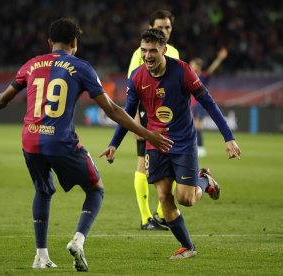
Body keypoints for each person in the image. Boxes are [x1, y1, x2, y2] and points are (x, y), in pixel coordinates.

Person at [0, 18, 172, 271]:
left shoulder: (32, 64)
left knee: (43, 191)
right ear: (75, 42)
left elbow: (3, 98)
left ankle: (41, 256)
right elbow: (111, 110)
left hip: (30, 138)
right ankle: (78, 240)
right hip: (60, 140)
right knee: (95, 189)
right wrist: (148, 134)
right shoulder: (82, 67)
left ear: (49, 42)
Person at [100, 29, 241, 259]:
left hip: (183, 143)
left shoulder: (182, 71)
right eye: (144, 50)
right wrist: (114, 144)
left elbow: (208, 102)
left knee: (186, 199)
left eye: (153, 50)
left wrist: (228, 137)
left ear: (164, 50)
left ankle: (205, 181)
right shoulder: (137, 77)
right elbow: (127, 113)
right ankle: (188, 246)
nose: (147, 56)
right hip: (155, 144)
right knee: (164, 197)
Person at [127, 9, 180, 231]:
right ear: (151, 28)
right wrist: (135, 121)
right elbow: (132, 85)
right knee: (143, 162)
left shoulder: (174, 52)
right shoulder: (141, 53)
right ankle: (145, 217)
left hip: (170, 117)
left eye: (167, 27)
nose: (164, 31)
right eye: (159, 27)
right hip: (147, 114)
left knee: (175, 161)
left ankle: (161, 214)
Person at [189, 48, 228, 157]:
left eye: (193, 65)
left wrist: (219, 59)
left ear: (198, 66)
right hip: (191, 105)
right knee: (192, 127)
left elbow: (212, 69)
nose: (191, 66)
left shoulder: (203, 76)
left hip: (200, 104)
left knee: (197, 126)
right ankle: (195, 146)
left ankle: (200, 147)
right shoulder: (189, 76)